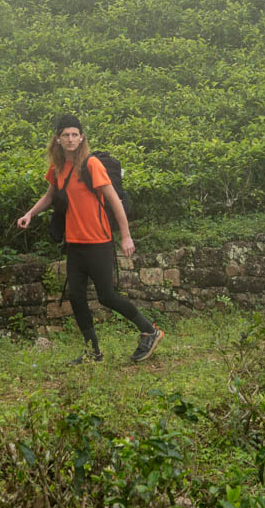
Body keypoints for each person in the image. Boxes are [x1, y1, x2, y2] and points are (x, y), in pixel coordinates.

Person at [16, 115, 163, 364]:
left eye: (75, 134)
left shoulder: (91, 164)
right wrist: (29, 214)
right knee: (76, 296)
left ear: (81, 137)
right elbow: (50, 196)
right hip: (74, 244)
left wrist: (126, 236)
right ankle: (92, 351)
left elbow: (114, 200)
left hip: (99, 242)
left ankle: (150, 331)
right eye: (66, 135)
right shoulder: (58, 167)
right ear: (57, 139)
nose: (70, 139)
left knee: (107, 296)